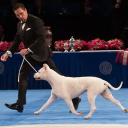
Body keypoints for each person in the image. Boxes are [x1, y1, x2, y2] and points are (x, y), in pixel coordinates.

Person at [0, 3, 81, 113]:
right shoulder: (19, 25)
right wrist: (8, 53)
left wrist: (27, 50)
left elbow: (41, 39)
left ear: (26, 10)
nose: (20, 16)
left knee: (59, 78)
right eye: (17, 15)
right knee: (22, 75)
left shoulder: (36, 21)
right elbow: (17, 41)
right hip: (30, 56)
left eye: (21, 14)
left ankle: (75, 98)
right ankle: (20, 104)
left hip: (42, 53)